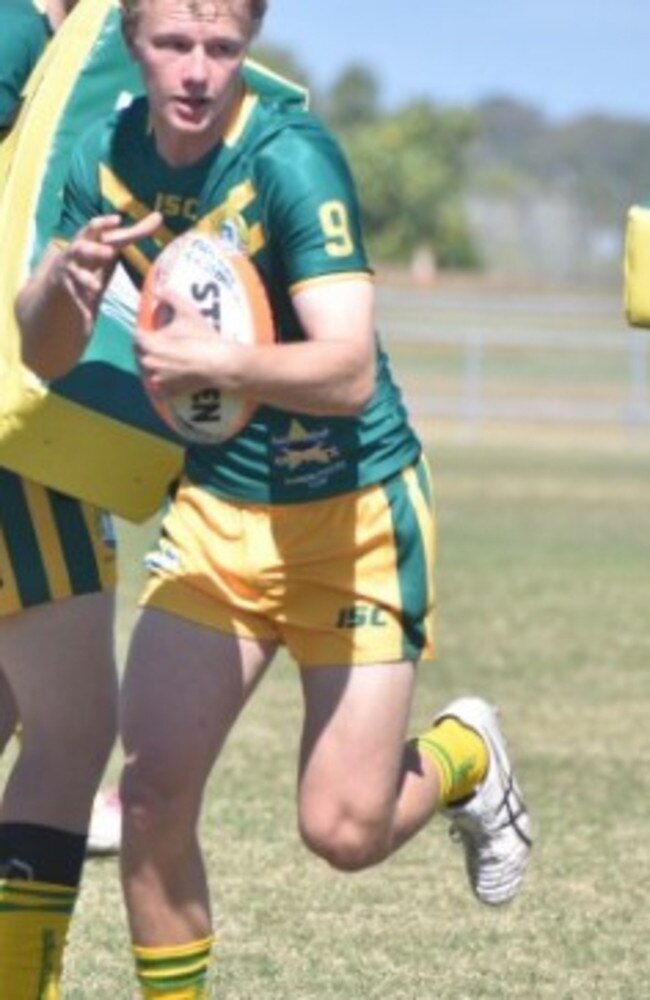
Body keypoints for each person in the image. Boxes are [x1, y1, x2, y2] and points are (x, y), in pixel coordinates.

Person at [16, 0, 533, 995]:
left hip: (353, 517)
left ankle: (464, 752)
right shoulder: (104, 156)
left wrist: (218, 360)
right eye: (174, 44)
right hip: (218, 517)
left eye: (223, 47)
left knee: (339, 828)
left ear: (247, 46)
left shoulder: (290, 159)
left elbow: (343, 370)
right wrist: (56, 284)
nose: (199, 71)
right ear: (132, 42)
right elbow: (47, 356)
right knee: (155, 794)